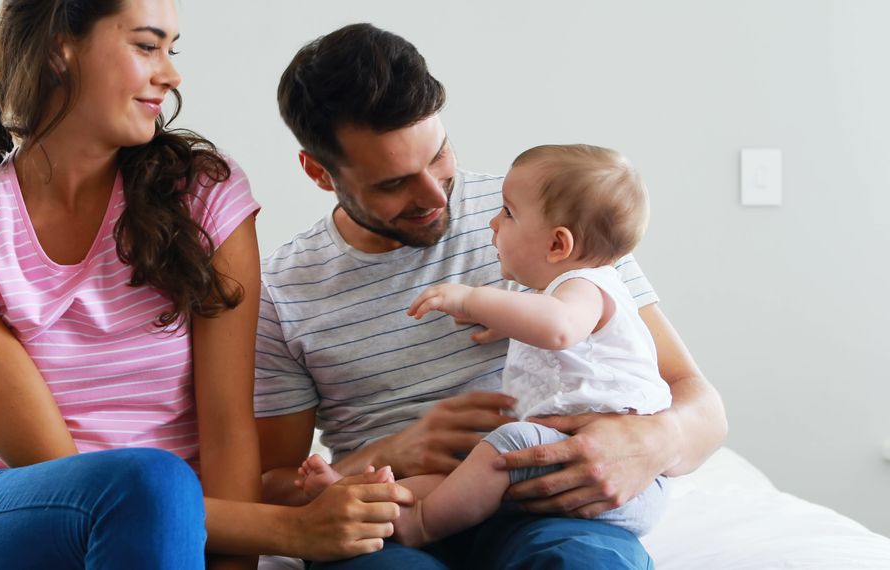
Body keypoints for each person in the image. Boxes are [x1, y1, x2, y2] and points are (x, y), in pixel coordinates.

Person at [0, 2, 409, 568]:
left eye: (172, 48)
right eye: (146, 46)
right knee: (151, 481)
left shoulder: (204, 197)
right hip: (2, 521)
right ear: (58, 49)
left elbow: (228, 432)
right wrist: (288, 530)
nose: (171, 73)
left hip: (164, 533)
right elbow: (59, 475)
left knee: (159, 488)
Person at [254, 23, 727, 569]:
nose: (434, 196)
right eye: (392, 183)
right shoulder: (283, 292)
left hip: (548, 507)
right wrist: (388, 454)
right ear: (319, 171)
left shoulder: (552, 219)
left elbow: (700, 402)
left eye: (438, 155)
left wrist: (656, 441)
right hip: (396, 514)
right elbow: (269, 490)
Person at [297, 144, 672, 548]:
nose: (493, 222)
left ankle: (420, 523)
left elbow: (560, 328)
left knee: (504, 447)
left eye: (508, 213)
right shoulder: (565, 293)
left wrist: (471, 300)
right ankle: (358, 495)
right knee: (470, 470)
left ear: (557, 245)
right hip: (562, 458)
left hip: (616, 472)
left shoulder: (584, 285)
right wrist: (503, 322)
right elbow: (552, 325)